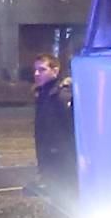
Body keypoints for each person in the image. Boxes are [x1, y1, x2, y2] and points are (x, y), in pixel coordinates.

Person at [32, 53, 78, 203]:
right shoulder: (44, 94)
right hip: (51, 159)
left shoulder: (62, 94)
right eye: (35, 70)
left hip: (62, 160)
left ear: (55, 70)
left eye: (42, 69)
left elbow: (67, 128)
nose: (36, 74)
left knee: (64, 200)